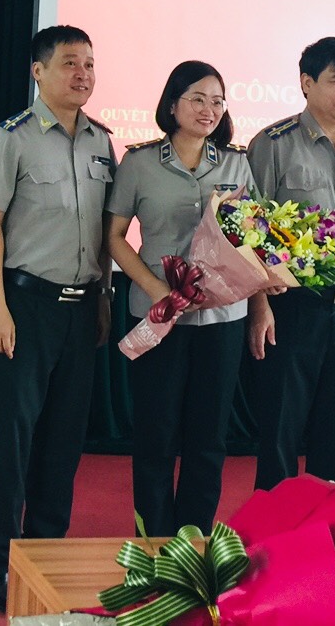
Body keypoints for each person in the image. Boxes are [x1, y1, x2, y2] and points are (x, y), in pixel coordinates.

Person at [0, 25, 114, 612]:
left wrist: (104, 298)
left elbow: (105, 232)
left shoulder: (103, 141)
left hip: (82, 312)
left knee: (64, 442)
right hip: (25, 306)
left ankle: (47, 553)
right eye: (69, 63)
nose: (82, 74)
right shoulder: (11, 137)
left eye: (89, 64)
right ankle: (4, 565)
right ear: (38, 71)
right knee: (15, 441)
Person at [106, 60, 254, 537]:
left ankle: (194, 541)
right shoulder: (139, 163)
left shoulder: (236, 163)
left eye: (218, 101)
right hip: (157, 317)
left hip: (222, 318)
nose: (209, 110)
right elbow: (114, 237)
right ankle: (154, 541)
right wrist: (159, 291)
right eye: (198, 99)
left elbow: (254, 239)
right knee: (156, 435)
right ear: (172, 105)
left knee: (208, 438)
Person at [245, 36, 335, 491]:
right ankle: (273, 528)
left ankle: (325, 526)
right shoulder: (273, 144)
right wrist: (259, 306)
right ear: (307, 83)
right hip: (294, 307)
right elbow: (251, 231)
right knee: (280, 430)